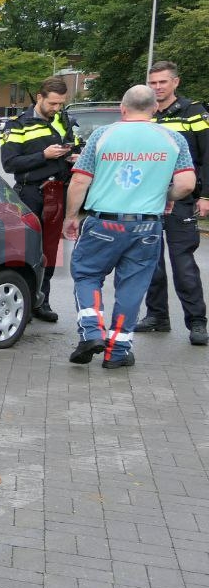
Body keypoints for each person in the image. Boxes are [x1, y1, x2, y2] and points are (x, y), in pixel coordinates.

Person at [63, 84, 196, 368]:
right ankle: (118, 352)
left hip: (103, 223)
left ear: (122, 109)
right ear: (155, 109)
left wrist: (71, 216)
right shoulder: (173, 139)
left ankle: (91, 331)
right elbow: (186, 184)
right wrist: (165, 196)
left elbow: (79, 180)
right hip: (146, 226)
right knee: (132, 287)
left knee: (87, 275)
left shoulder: (102, 135)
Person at [132, 61, 209, 345]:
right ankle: (157, 316)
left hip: (183, 200)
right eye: (153, 83)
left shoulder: (194, 113)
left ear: (175, 82)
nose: (157, 88)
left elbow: (207, 155)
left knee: (183, 264)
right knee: (151, 262)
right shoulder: (146, 114)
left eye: (162, 82)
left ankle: (197, 323)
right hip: (148, 201)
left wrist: (205, 196)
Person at [0, 76, 80, 322]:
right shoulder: (17, 125)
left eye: (61, 104)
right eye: (52, 104)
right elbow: (9, 163)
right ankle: (20, 301)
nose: (56, 109)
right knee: (25, 250)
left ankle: (42, 300)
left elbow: (74, 146)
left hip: (57, 192)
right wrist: (43, 155)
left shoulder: (62, 121)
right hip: (30, 193)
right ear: (40, 97)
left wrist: (75, 156)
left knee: (50, 251)